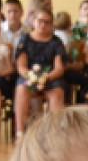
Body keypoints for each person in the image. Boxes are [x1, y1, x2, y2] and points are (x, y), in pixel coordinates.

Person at [13, 8, 66, 139]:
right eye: (40, 21)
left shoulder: (56, 42)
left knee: (57, 91)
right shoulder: (25, 39)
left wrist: (46, 77)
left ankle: (54, 133)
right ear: (33, 21)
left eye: (47, 22)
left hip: (50, 77)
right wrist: (32, 77)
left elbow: (59, 68)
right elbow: (21, 67)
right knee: (21, 88)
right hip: (29, 76)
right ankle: (20, 132)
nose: (43, 25)